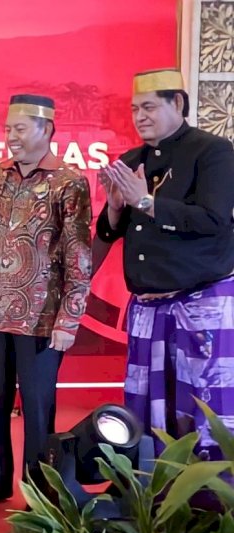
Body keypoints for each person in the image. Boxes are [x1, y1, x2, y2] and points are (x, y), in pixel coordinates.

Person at [0, 94, 92, 507]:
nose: (10, 137)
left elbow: (79, 256)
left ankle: (38, 489)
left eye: (19, 129)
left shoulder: (69, 182)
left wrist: (69, 319)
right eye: (7, 129)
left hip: (42, 318)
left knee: (37, 411)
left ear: (46, 129)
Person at [95, 68, 234, 459]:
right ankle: (149, 495)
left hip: (201, 302)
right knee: (146, 411)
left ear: (178, 103)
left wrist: (145, 201)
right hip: (148, 307)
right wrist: (116, 207)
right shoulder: (132, 159)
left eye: (150, 107)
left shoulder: (213, 152)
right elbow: (111, 233)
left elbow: (214, 218)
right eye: (135, 108)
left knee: (204, 408)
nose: (140, 116)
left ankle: (209, 501)